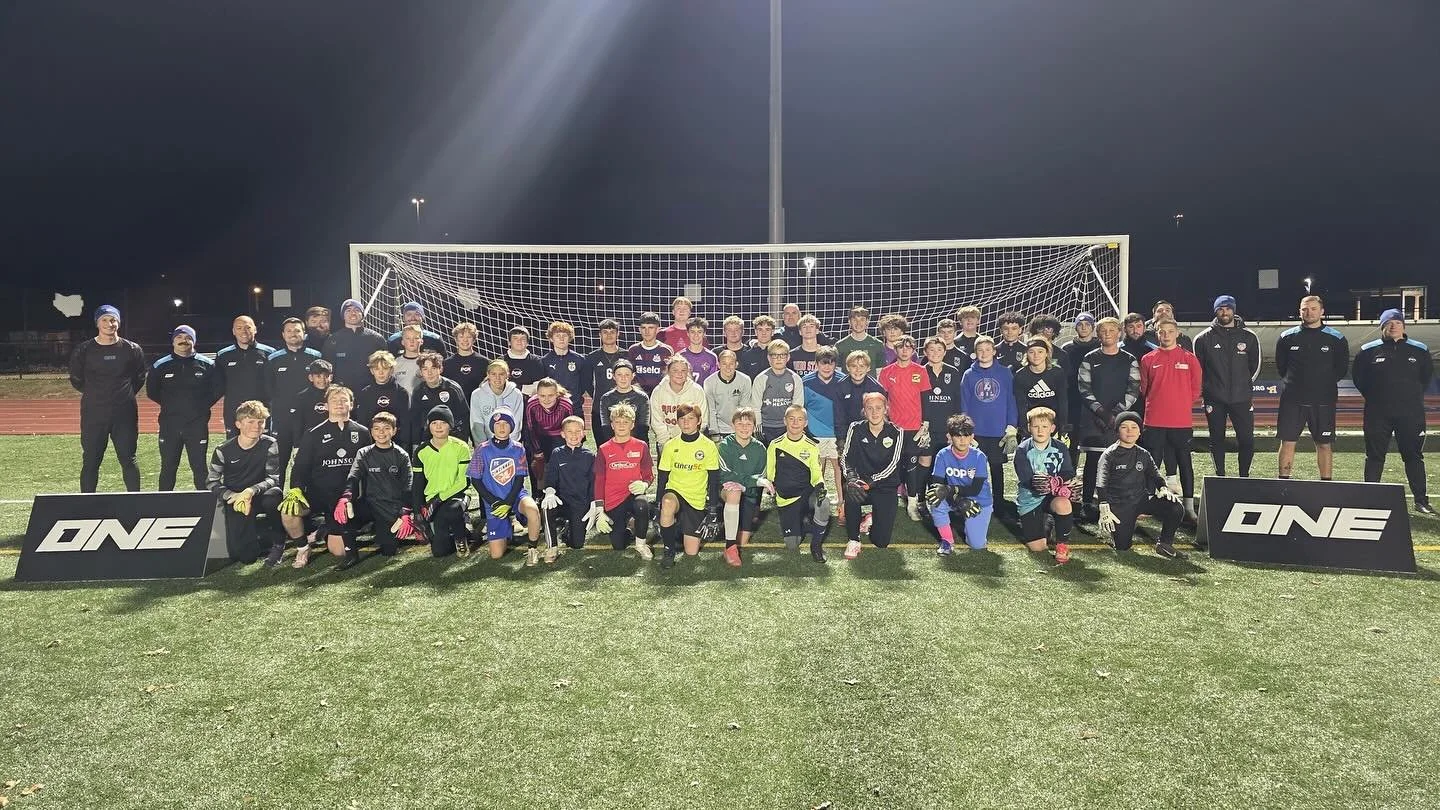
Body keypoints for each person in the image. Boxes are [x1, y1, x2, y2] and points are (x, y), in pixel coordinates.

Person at [276, 384, 371, 568]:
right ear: (326, 406)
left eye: (344, 400)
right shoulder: (313, 433)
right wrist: (296, 489)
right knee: (288, 511)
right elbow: (300, 467)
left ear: (351, 405)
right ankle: (303, 547)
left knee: (339, 551)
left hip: (346, 499)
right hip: (319, 495)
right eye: (334, 400)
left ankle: (324, 530)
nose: (339, 404)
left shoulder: (363, 432)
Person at [1352, 309, 1435, 515]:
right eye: (1388, 322)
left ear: (1404, 325)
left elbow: (1424, 379)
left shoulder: (1420, 350)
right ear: (1382, 326)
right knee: (1374, 456)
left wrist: (1407, 397)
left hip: (1411, 414)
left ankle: (1421, 501)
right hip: (1377, 413)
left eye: (1397, 322)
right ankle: (1370, 500)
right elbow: (1359, 379)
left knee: (1414, 456)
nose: (1393, 325)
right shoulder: (1367, 350)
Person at [71, 305, 146, 492]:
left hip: (124, 414)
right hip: (94, 414)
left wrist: (122, 395)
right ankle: (87, 503)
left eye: (113, 320)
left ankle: (135, 502)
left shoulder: (132, 349)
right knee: (91, 460)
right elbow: (76, 379)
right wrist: (98, 395)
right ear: (97, 323)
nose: (109, 324)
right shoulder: (84, 350)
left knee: (128, 458)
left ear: (118, 322)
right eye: (104, 320)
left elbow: (139, 378)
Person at [1275, 295, 1349, 480]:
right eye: (1304, 309)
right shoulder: (1286, 337)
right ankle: (1283, 482)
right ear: (1299, 311)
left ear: (1322, 311)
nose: (1309, 312)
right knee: (1288, 442)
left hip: (1323, 400)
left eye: (1313, 309)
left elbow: (1341, 369)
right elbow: (1281, 368)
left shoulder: (1337, 338)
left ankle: (1326, 484)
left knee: (1324, 444)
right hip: (1292, 400)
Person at [1095, 411, 1186, 558]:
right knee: (1122, 548)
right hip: (1120, 505)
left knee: (1175, 507)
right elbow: (1101, 482)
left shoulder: (1143, 454)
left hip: (1141, 500)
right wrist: (1104, 506)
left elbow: (1155, 474)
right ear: (1117, 430)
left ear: (1139, 432)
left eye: (1134, 427)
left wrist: (1163, 488)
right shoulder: (1109, 455)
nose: (1130, 431)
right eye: (1124, 427)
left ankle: (1165, 544)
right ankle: (1114, 532)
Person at [1076, 317, 1141, 521]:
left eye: (1111, 331)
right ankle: (1087, 502)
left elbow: (1134, 388)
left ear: (1119, 333)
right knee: (1093, 461)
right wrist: (1101, 412)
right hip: (1093, 419)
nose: (1107, 335)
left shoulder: (1129, 359)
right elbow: (1084, 388)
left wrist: (1117, 414)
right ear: (1098, 333)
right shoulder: (1089, 358)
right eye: (1103, 331)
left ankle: (1115, 503)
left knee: (1117, 461)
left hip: (1117, 420)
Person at [1139, 319, 1203, 525]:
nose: (1165, 335)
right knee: (1152, 462)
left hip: (1180, 421)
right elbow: (1144, 388)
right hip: (1154, 420)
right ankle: (1148, 503)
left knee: (1185, 463)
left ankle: (1189, 507)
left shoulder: (1189, 358)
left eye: (1169, 332)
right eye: (1162, 332)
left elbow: (1195, 389)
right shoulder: (1148, 359)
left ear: (1177, 333)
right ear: (1157, 334)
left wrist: (1180, 403)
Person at [332, 411, 416, 567]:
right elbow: (353, 478)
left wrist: (405, 513)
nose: (381, 432)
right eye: (377, 428)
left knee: (389, 550)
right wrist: (345, 498)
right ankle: (351, 555)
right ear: (371, 431)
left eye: (386, 428)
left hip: (391, 507)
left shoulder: (401, 455)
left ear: (394, 431)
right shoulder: (364, 453)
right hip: (370, 503)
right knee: (345, 512)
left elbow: (408, 486)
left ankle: (384, 528)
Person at [206, 400, 282, 564]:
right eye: (251, 422)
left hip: (260, 495)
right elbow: (212, 482)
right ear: (238, 424)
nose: (257, 426)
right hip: (237, 500)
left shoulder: (270, 444)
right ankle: (258, 540)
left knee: (274, 497)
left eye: (261, 422)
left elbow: (274, 478)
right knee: (245, 557)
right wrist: (232, 496)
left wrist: (251, 491)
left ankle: (279, 541)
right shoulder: (223, 450)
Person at [1193, 295, 1260, 478]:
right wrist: (1209, 388)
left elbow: (1255, 366)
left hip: (1242, 399)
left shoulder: (1249, 337)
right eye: (1221, 309)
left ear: (1234, 310)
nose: (1225, 312)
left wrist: (1243, 385)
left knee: (1246, 440)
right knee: (1216, 439)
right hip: (1215, 399)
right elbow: (1199, 370)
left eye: (1228, 308)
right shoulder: (1203, 338)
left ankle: (1244, 476)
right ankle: (1220, 476)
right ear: (1216, 311)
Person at [147, 324, 219, 491]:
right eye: (179, 337)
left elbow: (217, 389)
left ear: (194, 341)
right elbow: (152, 392)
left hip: (197, 425)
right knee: (168, 467)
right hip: (169, 425)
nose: (183, 341)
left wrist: (199, 407)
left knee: (199, 467)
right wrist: (172, 406)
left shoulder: (207, 364)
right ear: (173, 341)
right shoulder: (160, 365)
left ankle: (204, 506)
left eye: (188, 337)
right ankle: (163, 506)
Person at [470, 407, 547, 563]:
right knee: (496, 554)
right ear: (492, 427)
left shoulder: (518, 448)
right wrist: (495, 502)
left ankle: (532, 548)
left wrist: (509, 502)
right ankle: (508, 527)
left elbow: (519, 478)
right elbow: (475, 480)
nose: (502, 427)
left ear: (512, 426)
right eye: (498, 424)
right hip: (494, 502)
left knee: (532, 510)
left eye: (506, 423)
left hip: (515, 496)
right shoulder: (482, 449)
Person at [655, 402, 721, 569]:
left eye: (690, 418)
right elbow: (663, 477)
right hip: (675, 493)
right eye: (682, 419)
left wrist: (712, 510)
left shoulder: (708, 446)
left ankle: (675, 529)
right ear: (677, 422)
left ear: (698, 421)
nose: (686, 422)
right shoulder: (670, 445)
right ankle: (668, 550)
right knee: (667, 504)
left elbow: (713, 480)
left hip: (696, 499)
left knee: (691, 552)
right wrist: (658, 504)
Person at [840, 392, 906, 559]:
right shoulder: (855, 428)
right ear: (864, 410)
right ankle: (854, 540)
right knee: (852, 492)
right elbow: (845, 457)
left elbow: (893, 464)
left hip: (884, 487)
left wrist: (871, 481)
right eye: (870, 408)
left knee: (881, 542)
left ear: (886, 410)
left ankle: (869, 519)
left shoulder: (897, 432)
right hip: (862, 484)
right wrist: (852, 478)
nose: (874, 412)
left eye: (878, 408)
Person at [765, 405, 833, 562]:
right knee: (792, 545)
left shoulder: (811, 446)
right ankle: (803, 521)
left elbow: (816, 472)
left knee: (824, 504)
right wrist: (773, 489)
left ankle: (816, 546)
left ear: (805, 423)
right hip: (786, 499)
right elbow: (770, 473)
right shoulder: (775, 445)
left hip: (806, 494)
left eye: (800, 419)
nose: (795, 423)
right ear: (785, 421)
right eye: (791, 419)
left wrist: (820, 486)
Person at [960, 335, 1018, 518]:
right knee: (974, 468)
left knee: (996, 467)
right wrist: (966, 429)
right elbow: (964, 403)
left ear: (994, 351)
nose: (984, 353)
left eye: (987, 350)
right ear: (975, 353)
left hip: (997, 431)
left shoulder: (1005, 373)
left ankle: (998, 503)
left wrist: (1011, 425)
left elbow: (1011, 400)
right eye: (980, 350)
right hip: (976, 432)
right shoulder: (968, 375)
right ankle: (973, 501)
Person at [264, 317, 322, 488]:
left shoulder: (315, 356)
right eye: (289, 331)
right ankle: (275, 500)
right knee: (279, 462)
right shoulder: (274, 359)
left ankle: (308, 500)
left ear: (304, 334)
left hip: (309, 419)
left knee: (308, 461)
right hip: (282, 419)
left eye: (297, 330)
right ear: (283, 335)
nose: (293, 334)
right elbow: (269, 389)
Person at [1013, 407, 1076, 562]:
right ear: (1029, 428)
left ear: (1052, 429)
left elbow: (1068, 471)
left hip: (1051, 497)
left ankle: (1062, 544)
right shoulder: (1022, 450)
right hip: (1031, 499)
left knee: (1064, 503)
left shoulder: (1060, 447)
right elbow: (1027, 479)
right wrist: (1048, 483)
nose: (1040, 431)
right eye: (1036, 426)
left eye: (1045, 427)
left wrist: (1059, 483)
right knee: (1038, 548)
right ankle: (1046, 521)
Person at [593, 402, 655, 557]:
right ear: (612, 425)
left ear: (632, 425)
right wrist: (599, 509)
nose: (621, 425)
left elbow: (648, 474)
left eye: (625, 422)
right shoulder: (603, 449)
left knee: (642, 505)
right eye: (617, 422)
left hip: (632, 494)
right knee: (618, 545)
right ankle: (630, 527)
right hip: (613, 499)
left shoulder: (641, 446)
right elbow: (599, 480)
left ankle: (641, 544)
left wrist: (645, 484)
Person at [414, 405, 474, 558]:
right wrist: (418, 512)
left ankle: (461, 536)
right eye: (434, 423)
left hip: (456, 496)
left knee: (452, 510)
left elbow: (464, 482)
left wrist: (439, 499)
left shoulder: (461, 447)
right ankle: (461, 528)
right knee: (440, 552)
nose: (438, 426)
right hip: (432, 499)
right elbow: (418, 483)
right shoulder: (421, 451)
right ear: (429, 426)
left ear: (450, 425)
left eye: (443, 422)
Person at [879, 335, 928, 520]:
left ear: (913, 350)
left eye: (909, 347)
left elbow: (925, 399)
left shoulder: (920, 370)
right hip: (893, 428)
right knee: (892, 466)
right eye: (901, 347)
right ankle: (889, 501)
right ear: (896, 350)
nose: (905, 350)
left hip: (914, 428)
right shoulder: (886, 371)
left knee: (912, 466)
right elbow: (882, 398)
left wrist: (926, 423)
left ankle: (912, 504)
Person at [927, 414, 992, 554]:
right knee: (935, 497)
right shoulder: (942, 455)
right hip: (956, 496)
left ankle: (971, 526)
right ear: (949, 437)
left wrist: (950, 490)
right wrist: (956, 498)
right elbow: (936, 484)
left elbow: (975, 489)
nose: (962, 440)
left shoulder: (979, 457)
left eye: (966, 435)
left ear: (972, 437)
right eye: (957, 436)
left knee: (977, 545)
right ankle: (947, 542)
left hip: (979, 500)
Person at [916, 337, 963, 515]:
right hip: (925, 428)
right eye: (931, 350)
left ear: (945, 352)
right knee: (925, 463)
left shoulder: (954, 372)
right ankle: (921, 500)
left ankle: (947, 499)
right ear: (925, 352)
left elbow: (957, 401)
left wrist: (955, 429)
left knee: (945, 464)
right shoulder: (919, 372)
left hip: (946, 428)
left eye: (939, 349)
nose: (935, 353)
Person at [717, 407, 767, 565]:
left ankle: (734, 528)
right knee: (734, 491)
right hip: (726, 493)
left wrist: (748, 485)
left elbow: (761, 479)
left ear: (754, 426)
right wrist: (751, 481)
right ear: (732, 425)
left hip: (750, 494)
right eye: (740, 423)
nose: (744, 428)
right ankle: (730, 547)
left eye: (748, 424)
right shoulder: (724, 446)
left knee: (744, 541)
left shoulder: (760, 449)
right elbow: (725, 475)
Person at [540, 416, 596, 550]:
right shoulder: (557, 453)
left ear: (583, 433)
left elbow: (593, 483)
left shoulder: (589, 456)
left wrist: (593, 503)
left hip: (580, 504)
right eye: (570, 432)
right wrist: (549, 492)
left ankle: (566, 530)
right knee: (547, 506)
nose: (574, 435)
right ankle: (551, 547)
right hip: (561, 501)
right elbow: (550, 477)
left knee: (577, 545)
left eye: (578, 431)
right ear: (563, 434)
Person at [214, 315, 275, 436]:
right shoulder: (223, 356)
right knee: (233, 449)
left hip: (262, 411)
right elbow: (217, 386)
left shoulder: (270, 353)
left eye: (248, 327)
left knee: (264, 448)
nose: (244, 331)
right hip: (233, 412)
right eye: (239, 328)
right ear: (233, 331)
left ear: (255, 329)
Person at [802, 346, 846, 513]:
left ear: (836, 364)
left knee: (839, 468)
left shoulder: (843, 380)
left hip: (836, 435)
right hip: (815, 435)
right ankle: (816, 503)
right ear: (816, 364)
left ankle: (842, 505)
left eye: (831, 363)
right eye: (823, 363)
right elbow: (802, 409)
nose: (827, 367)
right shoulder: (806, 382)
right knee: (817, 468)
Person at [1059, 312, 1100, 461]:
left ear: (1093, 327)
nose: (1084, 327)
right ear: (1075, 327)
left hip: (1095, 398)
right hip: (1073, 398)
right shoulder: (1067, 348)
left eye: (1087, 324)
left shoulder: (1100, 346)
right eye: (1080, 325)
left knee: (1095, 440)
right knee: (1072, 439)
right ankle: (1070, 474)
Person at [409, 351, 469, 450]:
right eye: (425, 369)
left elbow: (464, 418)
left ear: (440, 369)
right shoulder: (418, 391)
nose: (429, 373)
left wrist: (461, 443)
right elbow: (415, 420)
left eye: (433, 368)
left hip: (452, 440)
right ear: (420, 372)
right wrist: (416, 444)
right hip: (428, 441)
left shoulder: (453, 389)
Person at [523, 377, 575, 492]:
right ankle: (538, 494)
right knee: (538, 466)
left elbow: (570, 427)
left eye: (550, 395)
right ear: (537, 394)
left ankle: (562, 492)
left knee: (561, 465)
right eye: (542, 396)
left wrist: (567, 449)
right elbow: (530, 429)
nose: (546, 399)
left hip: (559, 435)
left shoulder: (566, 404)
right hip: (539, 436)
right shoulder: (532, 404)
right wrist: (537, 451)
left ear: (557, 394)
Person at [322, 299, 386, 390]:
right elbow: (327, 371)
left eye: (356, 310)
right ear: (343, 316)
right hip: (342, 393)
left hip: (371, 391)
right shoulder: (332, 340)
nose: (352, 313)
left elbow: (385, 367)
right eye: (348, 310)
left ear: (362, 314)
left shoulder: (376, 339)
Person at [1013, 336, 1068, 439]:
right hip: (1031, 426)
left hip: (1052, 425)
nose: (1036, 355)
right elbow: (1020, 406)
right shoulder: (1020, 376)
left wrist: (1062, 426)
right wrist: (1025, 429)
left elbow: (1063, 401)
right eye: (1031, 352)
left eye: (1040, 351)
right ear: (1027, 354)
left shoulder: (1057, 373)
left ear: (1047, 353)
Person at [750, 340, 805, 443]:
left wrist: (793, 426)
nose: (779, 359)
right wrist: (758, 426)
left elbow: (797, 407)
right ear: (769, 358)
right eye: (774, 355)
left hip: (786, 426)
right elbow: (756, 406)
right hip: (766, 426)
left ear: (788, 357)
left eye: (782, 355)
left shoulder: (795, 378)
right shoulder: (761, 378)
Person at [354, 351, 410, 448]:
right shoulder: (365, 393)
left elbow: (405, 423)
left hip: (395, 444)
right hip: (370, 445)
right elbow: (362, 422)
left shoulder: (401, 393)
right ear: (371, 371)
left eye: (385, 368)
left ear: (392, 370)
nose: (381, 372)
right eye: (376, 368)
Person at [650, 355, 705, 452]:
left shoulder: (697, 390)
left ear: (688, 372)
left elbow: (703, 418)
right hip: (666, 443)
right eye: (675, 370)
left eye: (683, 370)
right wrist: (666, 442)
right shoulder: (658, 391)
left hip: (692, 442)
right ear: (668, 372)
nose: (679, 374)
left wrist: (692, 439)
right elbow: (656, 421)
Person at [583, 318, 627, 438]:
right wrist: (599, 396)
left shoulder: (626, 355)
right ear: (600, 334)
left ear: (618, 334)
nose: (609, 335)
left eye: (612, 332)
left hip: (623, 407)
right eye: (605, 332)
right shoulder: (592, 357)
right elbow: (586, 382)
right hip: (600, 408)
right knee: (602, 446)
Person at [468, 359, 525, 445]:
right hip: (486, 445)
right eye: (493, 374)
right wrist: (482, 446)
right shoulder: (477, 394)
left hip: (510, 444)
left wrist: (511, 445)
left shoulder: (516, 394)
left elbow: (517, 422)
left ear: (507, 375)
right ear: (488, 375)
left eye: (501, 374)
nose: (497, 378)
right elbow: (477, 424)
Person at [596, 359, 650, 446]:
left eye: (627, 375)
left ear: (633, 376)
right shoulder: (606, 398)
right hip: (614, 444)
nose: (623, 378)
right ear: (613, 376)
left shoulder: (642, 397)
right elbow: (606, 428)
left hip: (637, 444)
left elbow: (643, 427)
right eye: (619, 374)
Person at [834, 351, 886, 438]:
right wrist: (841, 438)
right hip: (848, 432)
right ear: (847, 367)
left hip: (870, 433)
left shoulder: (876, 388)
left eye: (862, 366)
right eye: (854, 366)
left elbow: (881, 415)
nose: (858, 370)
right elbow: (838, 415)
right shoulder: (840, 386)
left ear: (868, 368)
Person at [704, 348, 752, 439]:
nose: (728, 367)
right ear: (718, 365)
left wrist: (741, 429)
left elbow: (744, 408)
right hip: (719, 429)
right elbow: (711, 410)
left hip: (738, 428)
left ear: (736, 364)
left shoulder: (745, 380)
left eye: (731, 364)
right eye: (724, 364)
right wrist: (714, 433)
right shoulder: (709, 382)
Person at [542, 321, 586, 413]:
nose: (561, 339)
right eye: (558, 336)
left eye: (564, 336)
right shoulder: (544, 361)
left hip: (574, 407)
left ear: (570, 338)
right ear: (551, 338)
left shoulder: (579, 359)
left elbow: (584, 384)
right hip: (552, 408)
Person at [290, 359, 336, 447]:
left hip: (334, 438)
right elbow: (298, 423)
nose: (322, 380)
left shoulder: (338, 394)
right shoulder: (302, 397)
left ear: (331, 377)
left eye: (326, 376)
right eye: (318, 376)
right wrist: (297, 445)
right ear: (311, 377)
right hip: (311, 439)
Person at [628, 312, 674, 393]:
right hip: (637, 394)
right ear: (639, 330)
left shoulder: (666, 350)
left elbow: (670, 375)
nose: (647, 331)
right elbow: (629, 374)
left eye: (651, 328)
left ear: (657, 330)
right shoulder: (633, 350)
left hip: (660, 394)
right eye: (643, 328)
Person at [835, 306, 887, 373]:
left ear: (867, 322)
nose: (858, 323)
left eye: (862, 320)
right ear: (849, 322)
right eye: (854, 320)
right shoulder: (840, 345)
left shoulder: (877, 344)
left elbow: (880, 372)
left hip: (869, 383)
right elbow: (837, 372)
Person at [443, 322, 487, 400]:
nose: (465, 340)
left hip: (478, 405)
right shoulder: (447, 364)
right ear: (456, 339)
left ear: (474, 339)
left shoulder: (484, 362)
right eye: (461, 336)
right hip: (456, 407)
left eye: (469, 337)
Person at [504, 326, 546, 396]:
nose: (519, 341)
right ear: (509, 342)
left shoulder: (535, 361)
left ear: (527, 343)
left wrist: (515, 387)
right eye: (515, 338)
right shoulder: (501, 361)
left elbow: (538, 388)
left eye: (523, 339)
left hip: (529, 403)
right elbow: (498, 385)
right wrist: (524, 388)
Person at [679, 317, 719, 383]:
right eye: (692, 332)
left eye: (699, 332)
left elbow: (713, 382)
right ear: (688, 334)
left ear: (704, 334)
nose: (696, 335)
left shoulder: (712, 357)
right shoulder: (680, 356)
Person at [391, 324, 424, 397]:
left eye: (415, 338)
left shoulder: (426, 362)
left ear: (421, 341)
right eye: (408, 338)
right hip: (402, 405)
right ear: (402, 342)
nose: (411, 341)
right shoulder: (395, 363)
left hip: (423, 405)